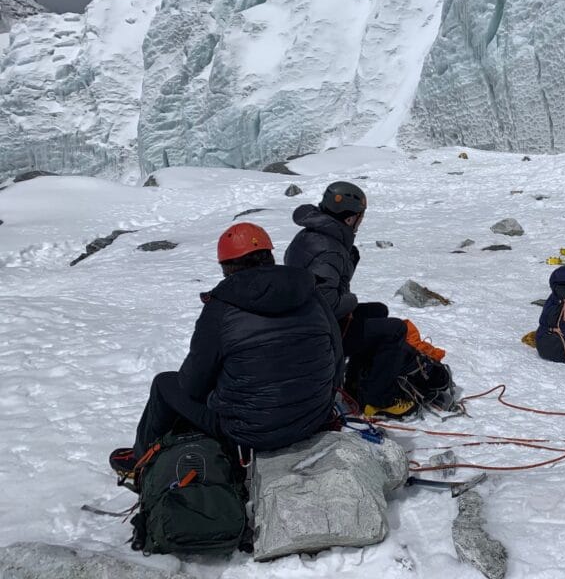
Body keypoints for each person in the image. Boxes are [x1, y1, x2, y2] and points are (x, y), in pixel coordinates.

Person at [109, 223, 343, 476]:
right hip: (314, 418)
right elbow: (337, 356)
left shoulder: (220, 308)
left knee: (165, 385)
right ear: (270, 255)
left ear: (226, 267)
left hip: (249, 433)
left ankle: (140, 461)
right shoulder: (310, 292)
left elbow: (193, 384)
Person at [284, 181, 419, 419]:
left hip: (306, 321)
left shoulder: (310, 236)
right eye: (359, 217)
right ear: (349, 219)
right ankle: (378, 399)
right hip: (321, 331)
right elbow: (329, 302)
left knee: (378, 311)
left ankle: (356, 387)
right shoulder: (330, 248)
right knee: (396, 330)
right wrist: (352, 301)